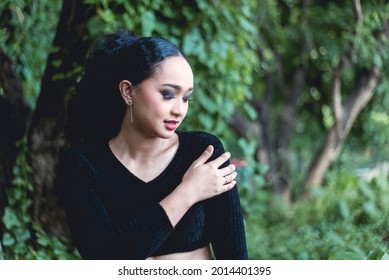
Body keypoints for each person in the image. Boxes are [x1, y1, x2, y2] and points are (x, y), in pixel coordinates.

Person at [57, 30, 248, 260]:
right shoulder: (83, 166)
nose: (179, 109)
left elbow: (236, 261)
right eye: (168, 94)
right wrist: (189, 192)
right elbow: (103, 259)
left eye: (186, 98)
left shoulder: (203, 153)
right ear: (128, 91)